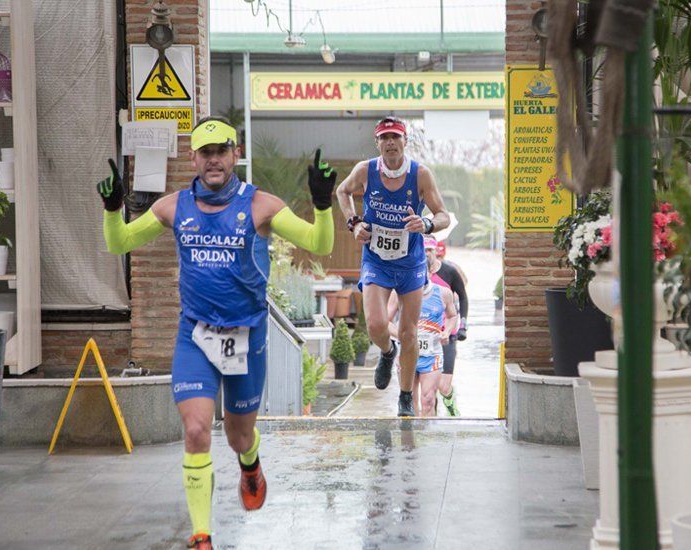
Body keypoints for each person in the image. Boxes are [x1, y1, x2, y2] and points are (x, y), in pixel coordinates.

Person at [96, 116, 336, 550]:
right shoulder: (173, 207)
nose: (213, 161)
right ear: (193, 158)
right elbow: (119, 244)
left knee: (238, 436)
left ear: (235, 154)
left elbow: (320, 244)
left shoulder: (260, 205)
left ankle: (250, 463)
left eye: (221, 151)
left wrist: (323, 205)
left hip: (247, 337)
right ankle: (201, 535)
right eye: (205, 153)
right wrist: (113, 211)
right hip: (195, 337)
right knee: (196, 431)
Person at [335, 116, 450, 417]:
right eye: (384, 138)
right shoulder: (366, 170)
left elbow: (443, 216)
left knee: (409, 333)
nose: (389, 143)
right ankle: (387, 352)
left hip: (410, 263)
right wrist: (354, 222)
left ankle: (405, 396)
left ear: (404, 142)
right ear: (377, 143)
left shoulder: (420, 175)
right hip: (376, 259)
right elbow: (342, 192)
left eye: (395, 137)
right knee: (375, 324)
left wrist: (425, 223)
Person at [386, 237, 458, 416]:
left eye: (421, 274)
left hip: (431, 355)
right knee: (410, 403)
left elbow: (452, 316)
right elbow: (384, 322)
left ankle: (427, 441)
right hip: (407, 353)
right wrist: (402, 335)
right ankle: (411, 442)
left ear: (429, 272)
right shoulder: (399, 294)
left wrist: (447, 331)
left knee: (428, 400)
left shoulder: (444, 294)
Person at [427, 241, 469, 416]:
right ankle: (431, 418)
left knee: (443, 387)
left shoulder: (450, 271)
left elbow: (463, 296)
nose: (426, 254)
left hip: (446, 334)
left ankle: (450, 401)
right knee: (428, 390)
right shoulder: (415, 272)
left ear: (436, 251)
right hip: (424, 336)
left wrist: (463, 325)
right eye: (422, 250)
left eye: (429, 250)